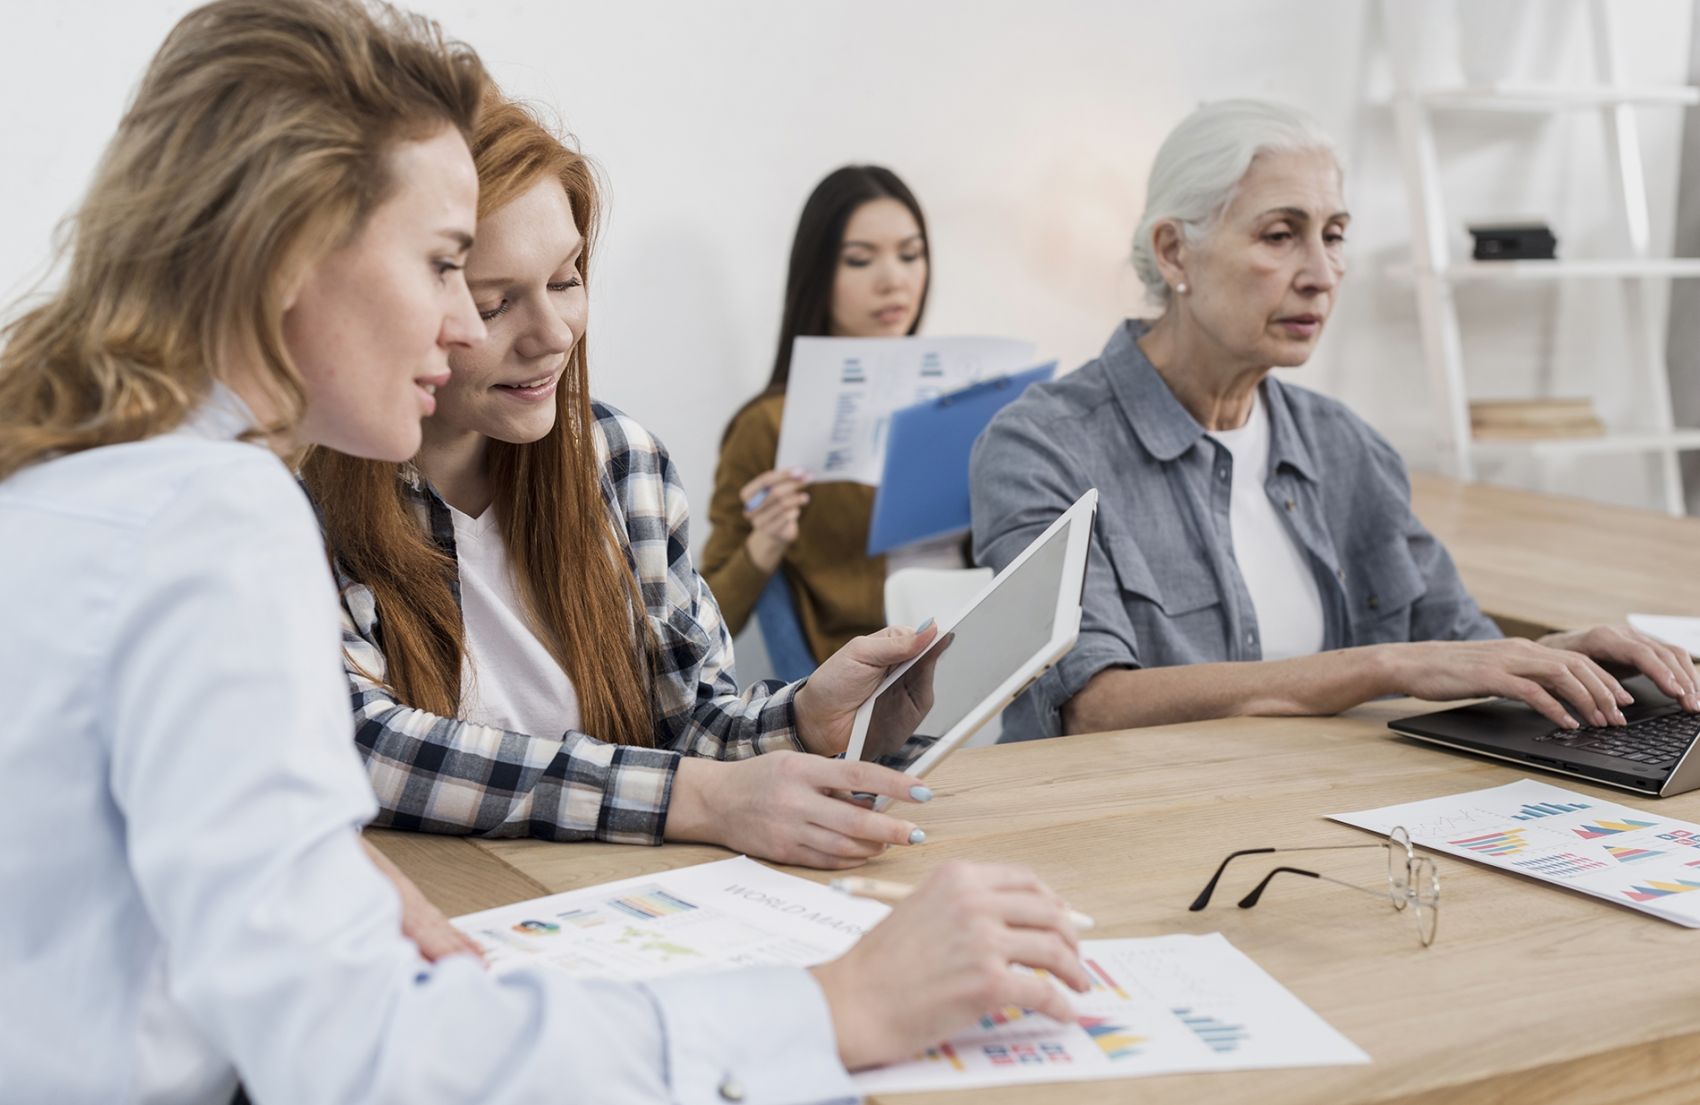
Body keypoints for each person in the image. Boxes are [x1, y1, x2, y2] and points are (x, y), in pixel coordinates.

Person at [0, 3, 1090, 1101]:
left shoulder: (70, 475)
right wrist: (834, 1006)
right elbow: (359, 1049)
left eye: (561, 279)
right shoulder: (225, 511)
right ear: (290, 251)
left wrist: (328, 867)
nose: (467, 330)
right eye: (446, 271)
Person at [302, 96, 939, 870]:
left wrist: (806, 718)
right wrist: (694, 799)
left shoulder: (621, 460)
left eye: (568, 280)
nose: (554, 335)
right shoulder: (300, 496)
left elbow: (688, 722)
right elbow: (364, 744)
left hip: (614, 908)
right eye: (496, 302)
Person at [971, 99, 1700, 742]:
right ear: (1174, 252)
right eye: (1280, 235)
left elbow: (1457, 648)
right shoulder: (1042, 445)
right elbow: (1093, 707)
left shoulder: (1346, 445)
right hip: (1119, 839)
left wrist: (1566, 656)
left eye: (1336, 233)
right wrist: (1385, 666)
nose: (1321, 272)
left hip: (1326, 824)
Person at [702, 165, 944, 664]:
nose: (894, 280)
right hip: (870, 687)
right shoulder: (767, 424)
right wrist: (764, 544)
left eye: (911, 254)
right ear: (819, 274)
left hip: (979, 654)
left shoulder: (958, 395)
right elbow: (705, 620)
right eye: (859, 260)